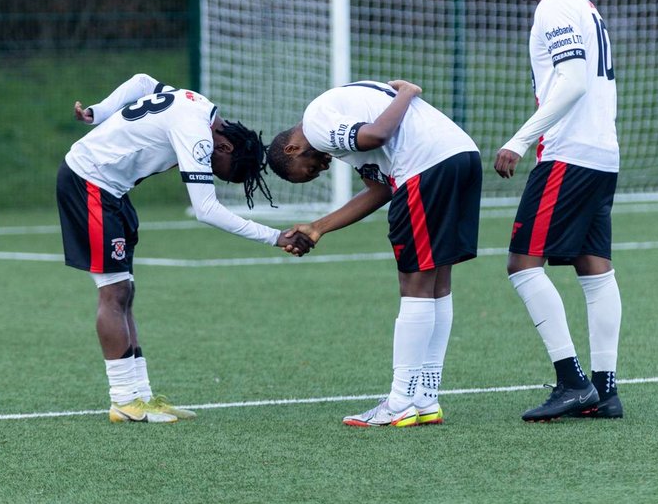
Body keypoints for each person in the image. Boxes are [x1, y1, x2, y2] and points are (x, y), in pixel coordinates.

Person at [58, 73, 313, 424]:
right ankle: (123, 400)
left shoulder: (200, 105)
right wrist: (274, 236)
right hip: (89, 184)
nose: (212, 169)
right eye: (222, 169)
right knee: (113, 293)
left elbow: (144, 82)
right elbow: (206, 210)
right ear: (223, 147)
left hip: (110, 189)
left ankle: (141, 398)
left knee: (124, 292)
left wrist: (98, 112)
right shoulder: (198, 136)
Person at [268, 79, 481, 428]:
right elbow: (379, 190)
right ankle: (426, 399)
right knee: (438, 282)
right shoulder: (338, 125)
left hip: (424, 166)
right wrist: (319, 227)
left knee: (414, 285)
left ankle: (399, 403)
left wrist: (408, 93)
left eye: (310, 169)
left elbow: (377, 135)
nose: (322, 168)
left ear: (292, 149)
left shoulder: (316, 124)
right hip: (461, 156)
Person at [494, 0, 623, 422]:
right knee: (595, 269)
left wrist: (519, 140)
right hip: (600, 154)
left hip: (568, 154)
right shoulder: (584, 5)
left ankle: (572, 382)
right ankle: (605, 389)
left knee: (522, 264)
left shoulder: (555, 7)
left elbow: (572, 82)